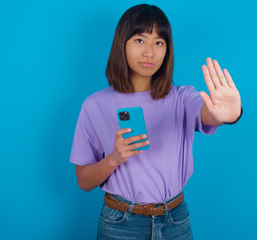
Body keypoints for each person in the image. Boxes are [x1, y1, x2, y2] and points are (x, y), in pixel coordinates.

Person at [69, 4, 242, 240]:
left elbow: (208, 113)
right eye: (140, 40)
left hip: (175, 221)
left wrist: (230, 114)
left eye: (159, 42)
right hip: (120, 223)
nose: (150, 52)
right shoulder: (94, 105)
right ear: (122, 44)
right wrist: (114, 159)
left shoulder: (183, 97)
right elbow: (83, 181)